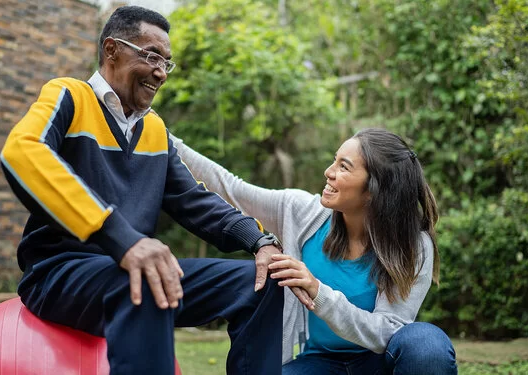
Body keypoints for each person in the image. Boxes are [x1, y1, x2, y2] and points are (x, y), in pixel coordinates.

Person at [0, 6, 284, 375]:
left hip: (132, 272)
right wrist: (123, 239)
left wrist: (259, 242)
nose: (161, 72)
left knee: (259, 284)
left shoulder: (154, 130)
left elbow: (194, 200)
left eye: (167, 62)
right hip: (59, 273)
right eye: (151, 56)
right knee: (147, 277)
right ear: (112, 50)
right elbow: (22, 151)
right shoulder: (68, 95)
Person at [170, 128, 458, 374]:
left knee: (425, 344)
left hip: (378, 363)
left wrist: (318, 292)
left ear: (374, 190)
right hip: (317, 363)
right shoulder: (302, 212)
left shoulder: (414, 245)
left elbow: (387, 332)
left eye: (344, 167)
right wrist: (165, 139)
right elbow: (230, 188)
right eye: (335, 161)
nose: (328, 172)